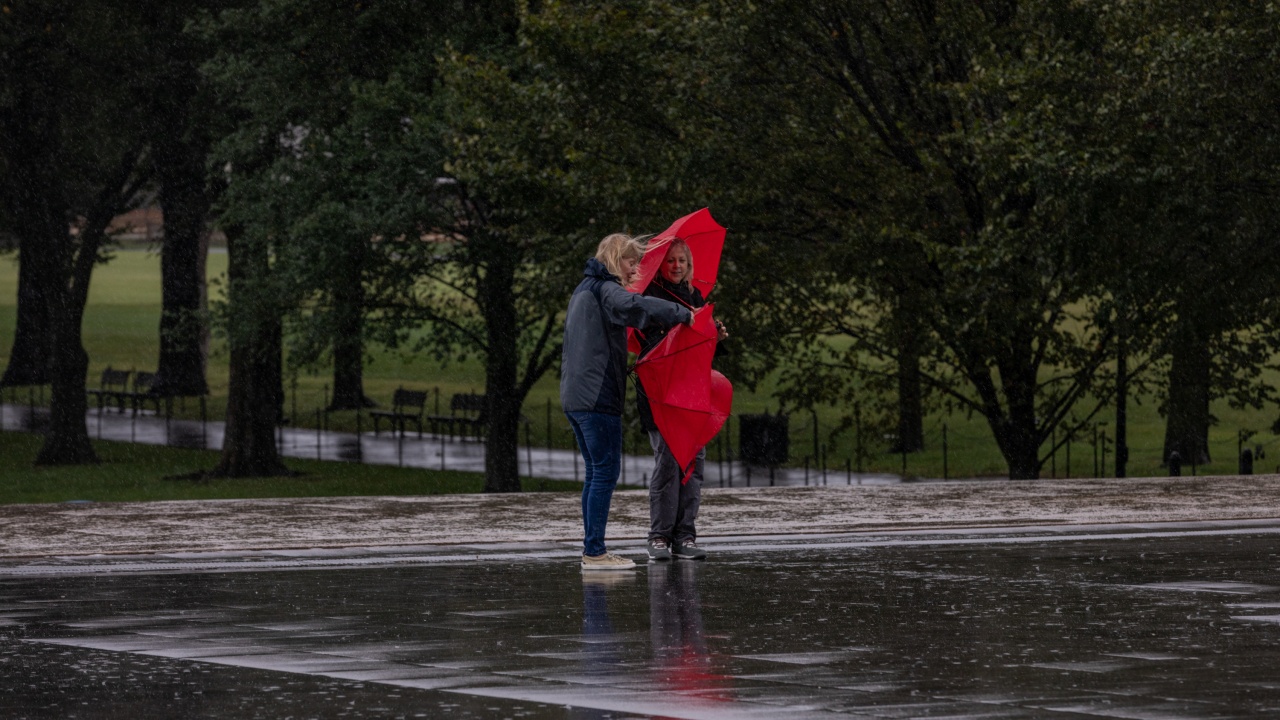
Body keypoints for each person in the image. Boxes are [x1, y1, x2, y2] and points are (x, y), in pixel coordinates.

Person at [562, 233, 692, 571]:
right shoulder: (608, 290)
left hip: (575, 397)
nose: (636, 267)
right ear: (615, 259)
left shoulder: (583, 289)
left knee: (595, 473)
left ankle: (593, 549)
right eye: (631, 261)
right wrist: (682, 314)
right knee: (605, 473)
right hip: (597, 398)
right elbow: (637, 306)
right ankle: (595, 554)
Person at [635, 239, 728, 562]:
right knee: (667, 465)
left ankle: (685, 535)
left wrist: (715, 333)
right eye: (671, 260)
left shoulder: (696, 298)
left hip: (692, 394)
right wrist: (677, 327)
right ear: (661, 264)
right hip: (661, 394)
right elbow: (650, 346)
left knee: (693, 465)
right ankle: (659, 535)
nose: (677, 266)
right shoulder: (648, 297)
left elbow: (702, 349)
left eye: (682, 261)